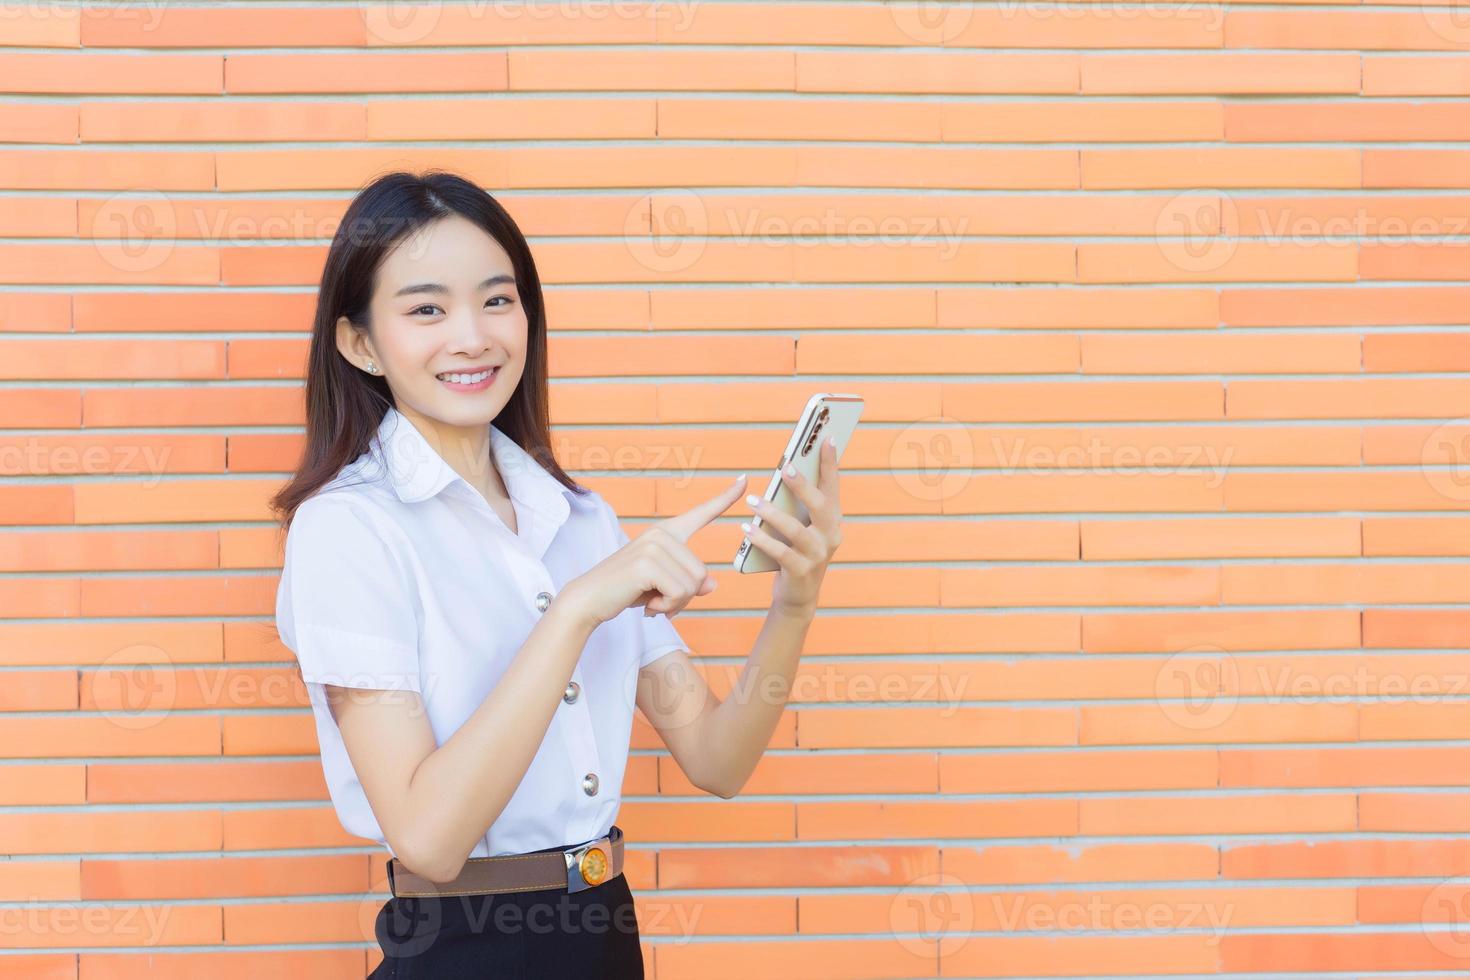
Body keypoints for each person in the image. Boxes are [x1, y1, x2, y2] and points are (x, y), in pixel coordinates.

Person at [268, 170, 843, 978]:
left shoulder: (580, 521)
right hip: (463, 945)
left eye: (498, 301)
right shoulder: (350, 530)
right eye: (427, 309)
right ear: (360, 342)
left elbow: (718, 761)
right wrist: (576, 611)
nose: (473, 336)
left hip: (603, 934)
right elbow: (429, 837)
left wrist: (796, 600)